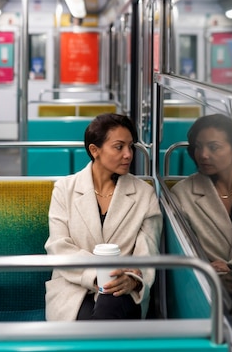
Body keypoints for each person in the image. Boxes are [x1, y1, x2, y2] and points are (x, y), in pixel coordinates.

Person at [45, 113, 163, 321]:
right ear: (94, 150)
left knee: (110, 299)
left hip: (123, 288)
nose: (128, 154)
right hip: (72, 286)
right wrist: (99, 273)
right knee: (97, 318)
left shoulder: (144, 194)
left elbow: (147, 252)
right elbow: (58, 247)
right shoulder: (65, 189)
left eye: (130, 147)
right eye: (119, 147)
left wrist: (134, 280)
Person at [170, 114, 232, 281]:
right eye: (198, 147)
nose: (203, 155)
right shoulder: (183, 194)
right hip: (211, 281)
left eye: (214, 147)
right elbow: (184, 251)